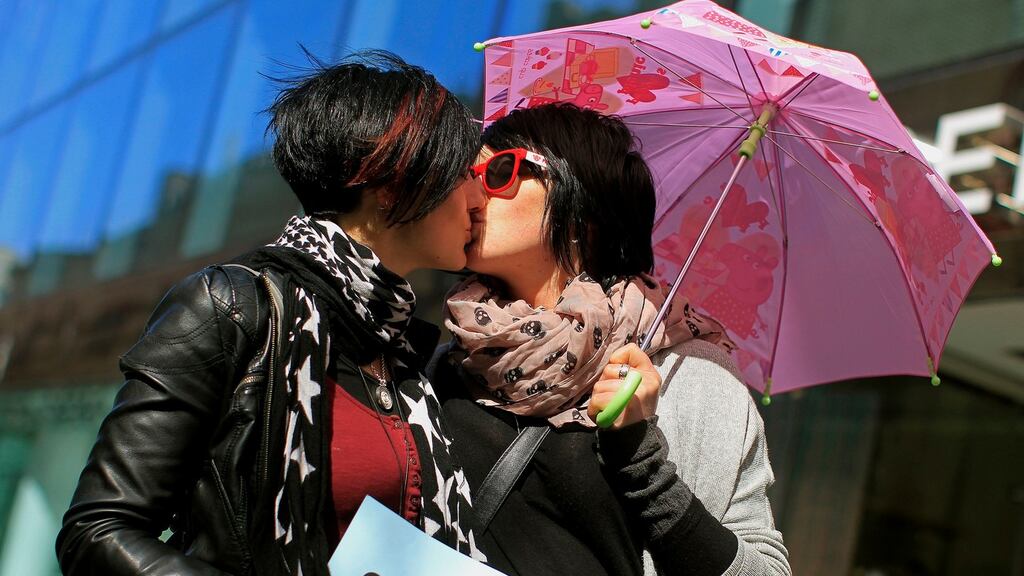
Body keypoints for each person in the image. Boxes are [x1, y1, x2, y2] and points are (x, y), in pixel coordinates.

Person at [56, 51, 487, 576]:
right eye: (465, 171)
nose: (478, 195)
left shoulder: (402, 349)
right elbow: (98, 532)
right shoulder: (231, 306)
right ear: (394, 183)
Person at [431, 103, 791, 575]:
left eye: (500, 170)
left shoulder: (689, 376)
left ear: (583, 208)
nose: (474, 193)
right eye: (469, 174)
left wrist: (639, 456)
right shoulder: (448, 360)